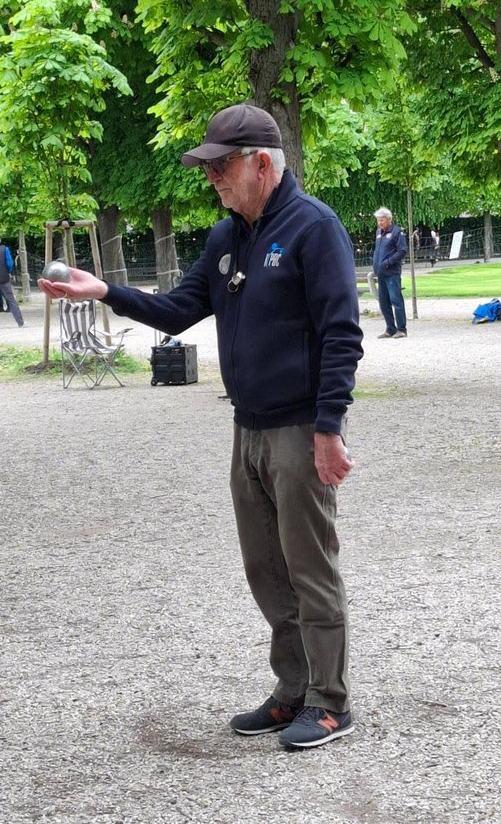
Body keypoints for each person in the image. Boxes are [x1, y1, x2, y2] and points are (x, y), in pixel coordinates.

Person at [39, 103, 364, 750]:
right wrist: (103, 292)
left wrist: (328, 428)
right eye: (208, 167)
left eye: (221, 166)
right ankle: (292, 689)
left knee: (310, 568)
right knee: (267, 570)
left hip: (299, 428)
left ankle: (330, 702)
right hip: (247, 429)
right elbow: (177, 311)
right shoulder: (226, 238)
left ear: (262, 164)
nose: (211, 178)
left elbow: (341, 334)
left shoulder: (313, 228)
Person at [372, 207, 408, 339]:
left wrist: (388, 262)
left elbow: (402, 251)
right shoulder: (378, 233)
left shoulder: (397, 232)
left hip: (392, 272)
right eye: (378, 220)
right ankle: (390, 328)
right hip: (381, 273)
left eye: (381, 220)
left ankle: (401, 329)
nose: (379, 223)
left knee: (396, 300)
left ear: (389, 219)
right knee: (384, 302)